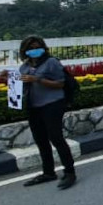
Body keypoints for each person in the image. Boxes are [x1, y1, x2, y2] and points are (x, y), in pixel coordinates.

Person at [13, 36, 77, 190]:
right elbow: (20, 85)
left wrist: (38, 80)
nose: (35, 50)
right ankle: (48, 172)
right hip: (34, 107)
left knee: (56, 138)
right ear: (25, 51)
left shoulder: (51, 62)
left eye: (38, 47)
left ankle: (69, 172)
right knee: (41, 140)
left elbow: (60, 83)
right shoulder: (24, 66)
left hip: (53, 104)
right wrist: (7, 78)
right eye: (31, 48)